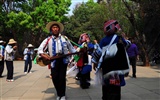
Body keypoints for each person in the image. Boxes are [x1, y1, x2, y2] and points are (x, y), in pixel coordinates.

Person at [92, 20, 130, 100]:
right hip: (116, 69)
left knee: (106, 86)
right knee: (115, 88)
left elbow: (98, 52)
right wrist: (124, 38)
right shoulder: (119, 39)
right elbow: (127, 44)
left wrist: (95, 63)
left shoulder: (103, 40)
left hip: (106, 68)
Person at [38, 21, 76, 100]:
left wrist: (78, 53)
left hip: (63, 60)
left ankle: (62, 95)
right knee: (55, 78)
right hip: (53, 61)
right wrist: (44, 56)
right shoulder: (48, 40)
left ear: (59, 29)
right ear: (51, 30)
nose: (55, 29)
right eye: (53, 28)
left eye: (56, 27)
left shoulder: (65, 38)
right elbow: (40, 50)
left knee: (62, 78)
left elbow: (72, 49)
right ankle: (59, 93)